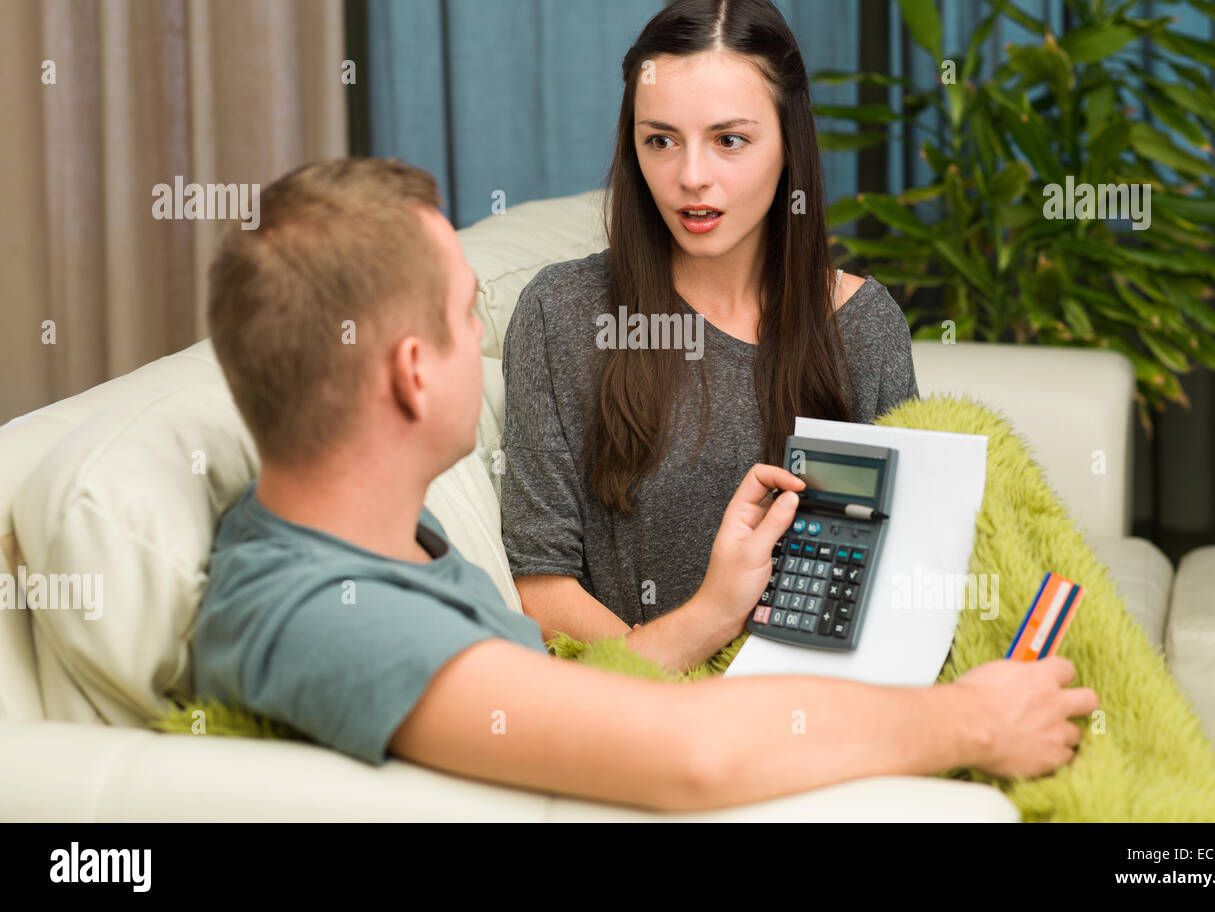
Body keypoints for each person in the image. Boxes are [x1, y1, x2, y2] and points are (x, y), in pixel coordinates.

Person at [190, 157, 1097, 813]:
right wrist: (974, 721)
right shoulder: (337, 620)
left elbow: (565, 691)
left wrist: (709, 609)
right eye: (468, 314)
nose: (485, 337)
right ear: (414, 374)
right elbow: (695, 757)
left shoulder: (359, 536)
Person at [503, 0, 916, 670]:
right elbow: (540, 587)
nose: (692, 177)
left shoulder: (864, 326)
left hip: (823, 705)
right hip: (646, 709)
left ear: (789, 144)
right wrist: (690, 681)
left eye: (730, 141)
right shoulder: (563, 315)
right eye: (660, 141)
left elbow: (898, 573)